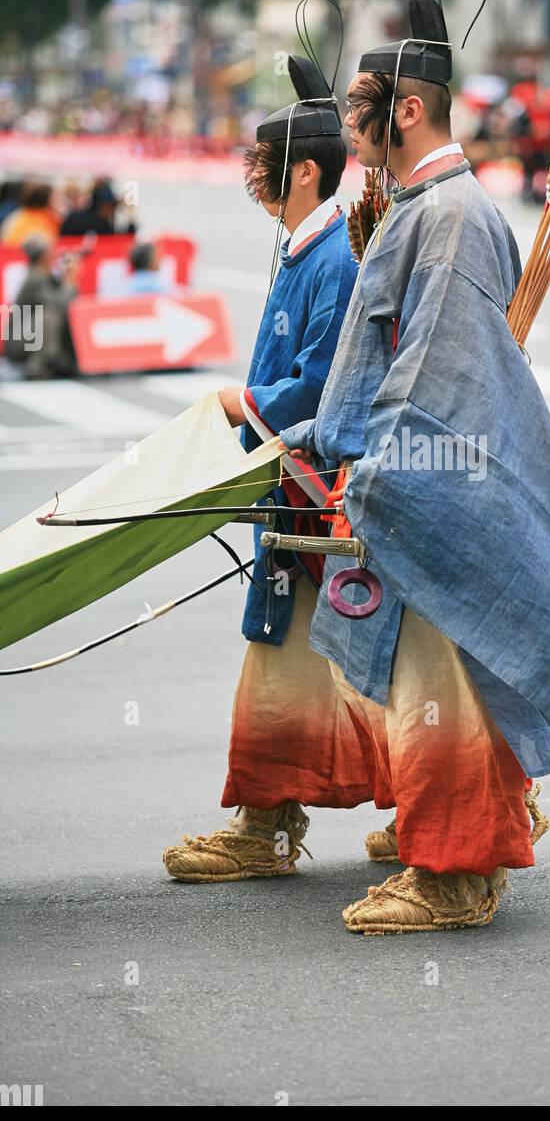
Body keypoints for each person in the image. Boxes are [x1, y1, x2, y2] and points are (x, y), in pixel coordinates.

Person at [165, 0, 550, 934]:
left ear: (407, 110)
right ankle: (431, 848)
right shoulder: (422, 207)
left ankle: (455, 875)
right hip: (392, 489)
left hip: (427, 498)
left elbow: (435, 388)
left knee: (440, 683)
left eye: (362, 110)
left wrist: (372, 480)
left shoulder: (448, 216)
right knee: (419, 680)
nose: (349, 126)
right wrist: (321, 448)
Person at [162, 49, 360, 882]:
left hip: (318, 488)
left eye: (263, 165)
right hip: (292, 482)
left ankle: (268, 824)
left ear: (304, 172)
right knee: (355, 656)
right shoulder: (304, 245)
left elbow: (322, 382)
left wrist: (243, 404)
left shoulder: (336, 258)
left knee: (292, 650)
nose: (252, 178)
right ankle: (279, 816)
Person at [4, 235, 77, 379]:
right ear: (42, 255)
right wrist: (70, 283)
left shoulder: (44, 276)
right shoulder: (34, 279)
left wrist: (64, 278)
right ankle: (41, 364)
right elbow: (59, 304)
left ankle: (64, 362)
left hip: (29, 335)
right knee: (49, 317)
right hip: (18, 340)